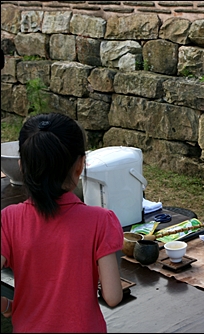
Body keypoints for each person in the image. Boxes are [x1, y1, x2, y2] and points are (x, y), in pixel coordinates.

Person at [1, 113, 124, 332]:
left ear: (22, 166)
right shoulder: (101, 220)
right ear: (80, 165)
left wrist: (7, 305)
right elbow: (112, 296)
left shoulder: (8, 219)